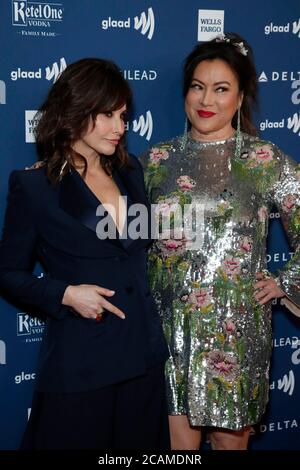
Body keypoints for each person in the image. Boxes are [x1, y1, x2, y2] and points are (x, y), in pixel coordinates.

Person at [140, 33, 300, 450]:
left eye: (221, 88)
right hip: (170, 334)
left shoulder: (264, 161)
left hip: (236, 333)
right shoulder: (155, 161)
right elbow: (114, 226)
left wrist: (286, 280)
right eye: (197, 86)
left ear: (241, 96)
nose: (205, 99)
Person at [0, 58, 170, 450]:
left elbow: (131, 250)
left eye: (123, 115)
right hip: (81, 364)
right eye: (107, 114)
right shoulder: (35, 185)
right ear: (75, 110)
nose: (119, 128)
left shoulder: (131, 172)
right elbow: (8, 271)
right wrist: (65, 294)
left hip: (142, 359)